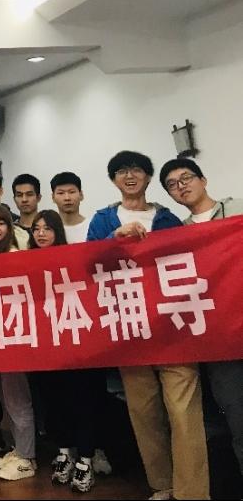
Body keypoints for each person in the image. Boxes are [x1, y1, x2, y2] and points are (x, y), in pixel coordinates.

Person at [87, 150, 206, 501]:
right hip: (131, 328)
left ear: (148, 177)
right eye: (121, 171)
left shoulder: (169, 219)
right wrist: (115, 238)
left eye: (136, 169)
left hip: (174, 328)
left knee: (184, 413)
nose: (129, 176)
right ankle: (163, 485)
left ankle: (192, 493)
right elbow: (88, 265)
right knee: (144, 413)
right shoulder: (103, 220)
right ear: (113, 180)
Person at [160, 157, 243, 481]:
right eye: (172, 185)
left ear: (203, 180)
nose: (181, 186)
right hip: (221, 342)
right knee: (238, 419)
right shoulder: (178, 235)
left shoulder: (237, 210)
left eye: (186, 178)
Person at [28, 210, 99, 493]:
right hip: (44, 347)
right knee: (53, 401)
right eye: (36, 228)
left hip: (74, 344)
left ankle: (85, 459)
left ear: (57, 231)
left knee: (79, 400)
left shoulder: (73, 258)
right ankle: (64, 452)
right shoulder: (23, 263)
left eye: (47, 228)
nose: (41, 233)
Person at [0, 205, 37, 482]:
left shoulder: (15, 255)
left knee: (17, 396)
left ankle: (27, 458)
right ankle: (19, 448)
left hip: (13, 334)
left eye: (1, 222)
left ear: (9, 227)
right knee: (4, 395)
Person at [50, 172, 91, 244]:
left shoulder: (92, 226)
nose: (67, 198)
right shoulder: (47, 230)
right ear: (53, 197)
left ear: (81, 195)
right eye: (61, 193)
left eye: (72, 192)